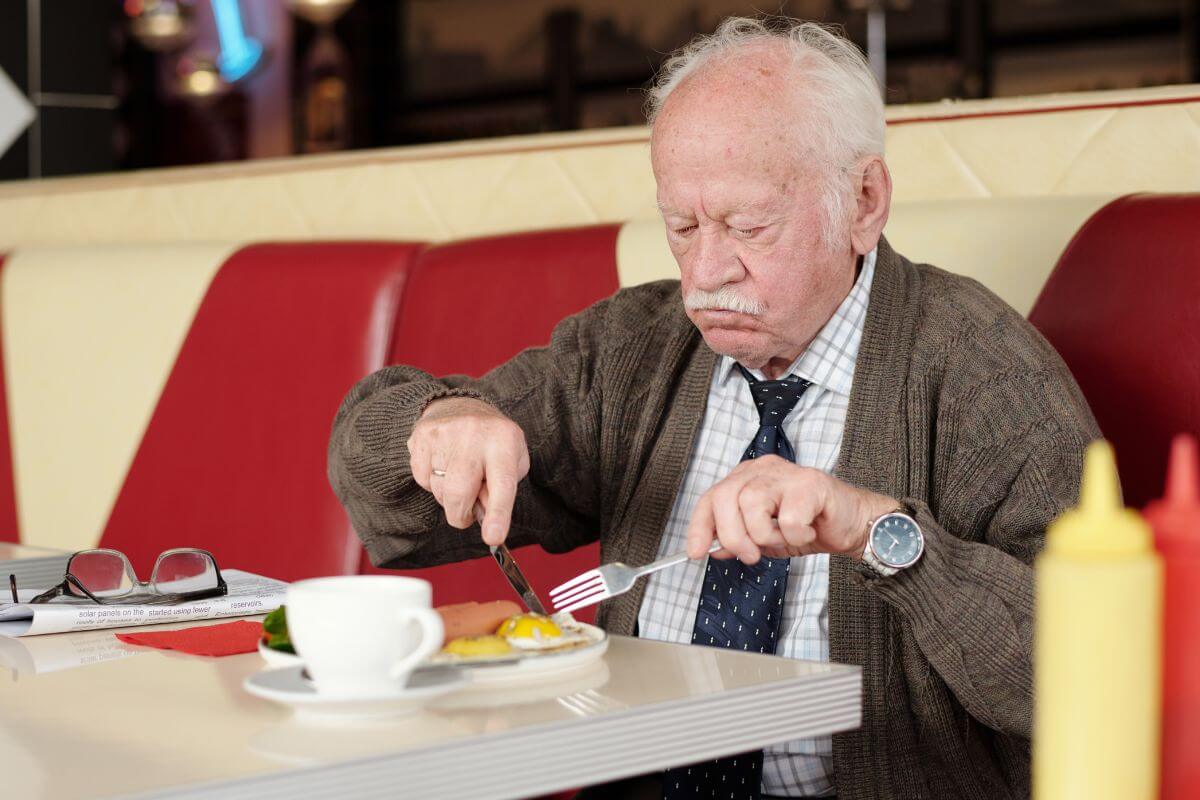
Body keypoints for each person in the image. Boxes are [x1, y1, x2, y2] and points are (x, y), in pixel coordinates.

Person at [328, 17, 1098, 800]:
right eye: (682, 225)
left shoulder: (985, 371)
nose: (704, 274)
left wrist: (872, 530)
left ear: (864, 201)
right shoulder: (636, 348)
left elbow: (1089, 678)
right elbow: (381, 493)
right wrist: (438, 423)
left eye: (746, 225)